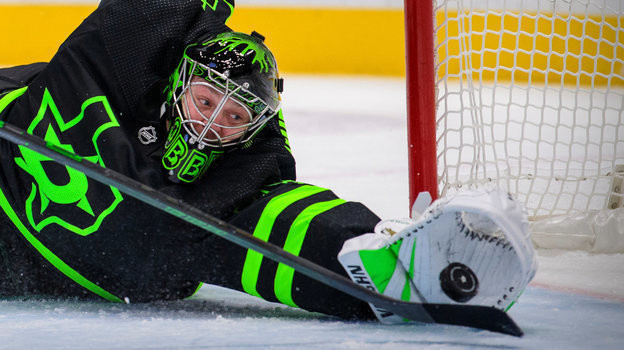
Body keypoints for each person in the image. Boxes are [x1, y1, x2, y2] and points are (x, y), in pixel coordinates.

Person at [0, 0, 537, 323]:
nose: (211, 124)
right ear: (176, 86)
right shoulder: (113, 67)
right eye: (205, 102)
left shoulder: (227, 197)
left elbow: (299, 228)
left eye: (233, 117)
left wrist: (399, 266)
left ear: (256, 127)